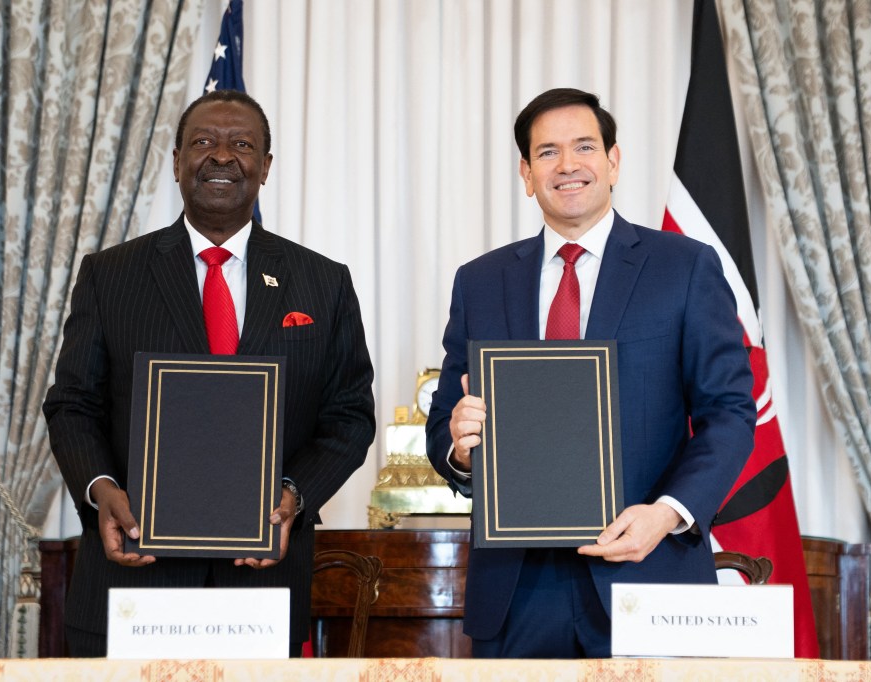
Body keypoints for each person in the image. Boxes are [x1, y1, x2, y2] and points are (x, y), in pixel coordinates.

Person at [43, 89, 376, 657]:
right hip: (133, 576)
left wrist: (293, 497)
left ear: (265, 167)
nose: (222, 157)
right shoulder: (109, 275)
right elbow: (73, 404)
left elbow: (348, 416)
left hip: (263, 584)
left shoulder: (323, 281)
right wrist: (102, 492)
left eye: (242, 145)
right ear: (176, 161)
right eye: (203, 142)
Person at [425, 87, 756, 658]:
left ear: (614, 161)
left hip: (647, 573)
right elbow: (443, 428)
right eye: (548, 153)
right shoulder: (480, 281)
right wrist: (458, 446)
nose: (569, 164)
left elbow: (729, 413)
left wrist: (666, 515)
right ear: (527, 174)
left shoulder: (685, 267)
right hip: (516, 592)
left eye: (584, 146)